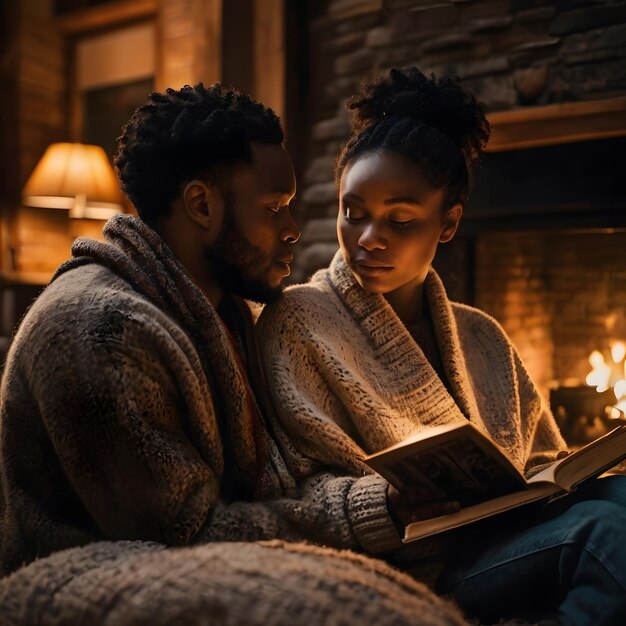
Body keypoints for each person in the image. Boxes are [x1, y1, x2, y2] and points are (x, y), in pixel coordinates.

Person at [257, 67, 626, 626]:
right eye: (352, 213)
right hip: (422, 563)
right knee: (604, 536)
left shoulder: (480, 332)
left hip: (511, 537)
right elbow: (280, 492)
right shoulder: (298, 321)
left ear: (448, 223)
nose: (368, 238)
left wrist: (559, 476)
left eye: (400, 219)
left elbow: (543, 458)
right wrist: (383, 504)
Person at [0, 83, 309, 575]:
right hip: (90, 589)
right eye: (274, 207)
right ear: (201, 205)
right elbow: (187, 535)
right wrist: (367, 512)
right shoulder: (100, 331)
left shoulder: (225, 310)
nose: (294, 227)